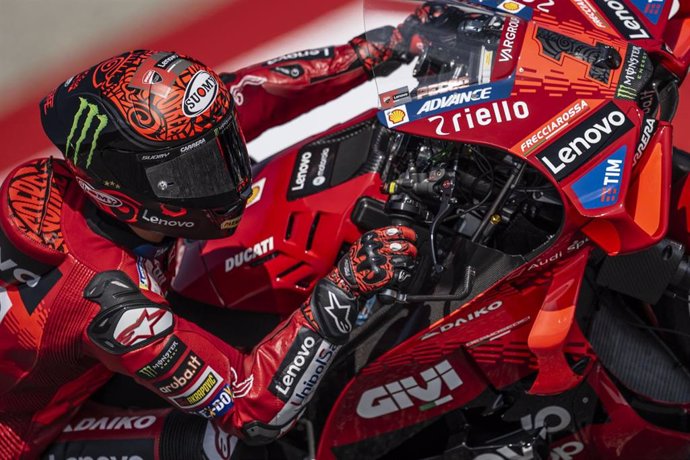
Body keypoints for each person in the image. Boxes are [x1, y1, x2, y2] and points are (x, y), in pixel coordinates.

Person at [0, 5, 448, 459]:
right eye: (193, 175)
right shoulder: (112, 301)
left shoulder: (132, 156)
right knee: (231, 448)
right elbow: (253, 411)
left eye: (223, 149)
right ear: (121, 191)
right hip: (28, 441)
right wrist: (344, 285)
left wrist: (373, 50)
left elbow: (251, 94)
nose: (225, 176)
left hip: (71, 365)